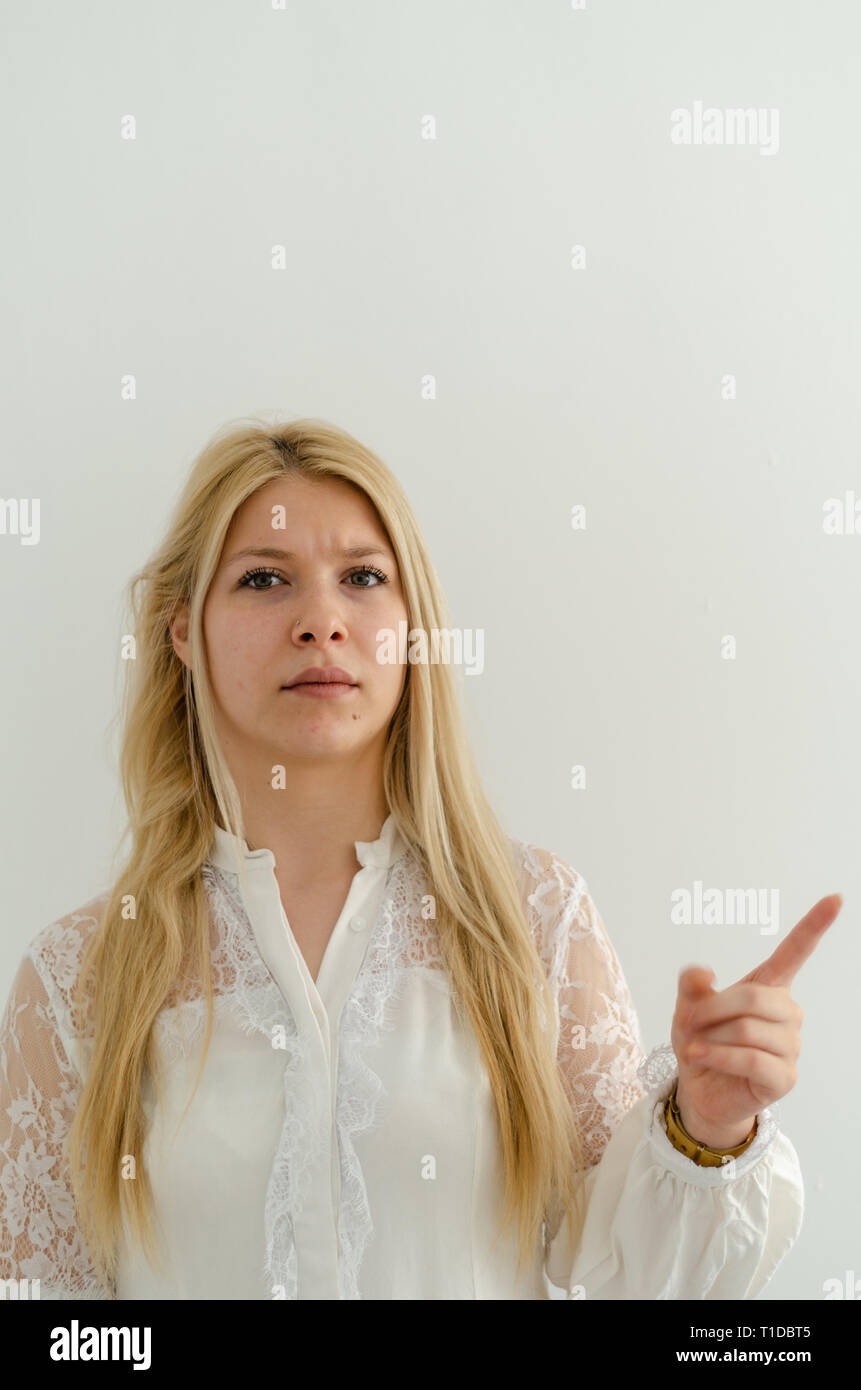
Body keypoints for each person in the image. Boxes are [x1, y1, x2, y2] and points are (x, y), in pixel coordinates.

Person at [0, 418, 839, 1300]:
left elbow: (625, 1283)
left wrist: (704, 1127)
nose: (321, 620)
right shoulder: (76, 979)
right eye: (263, 579)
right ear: (182, 632)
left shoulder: (535, 917)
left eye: (362, 578)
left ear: (412, 629)